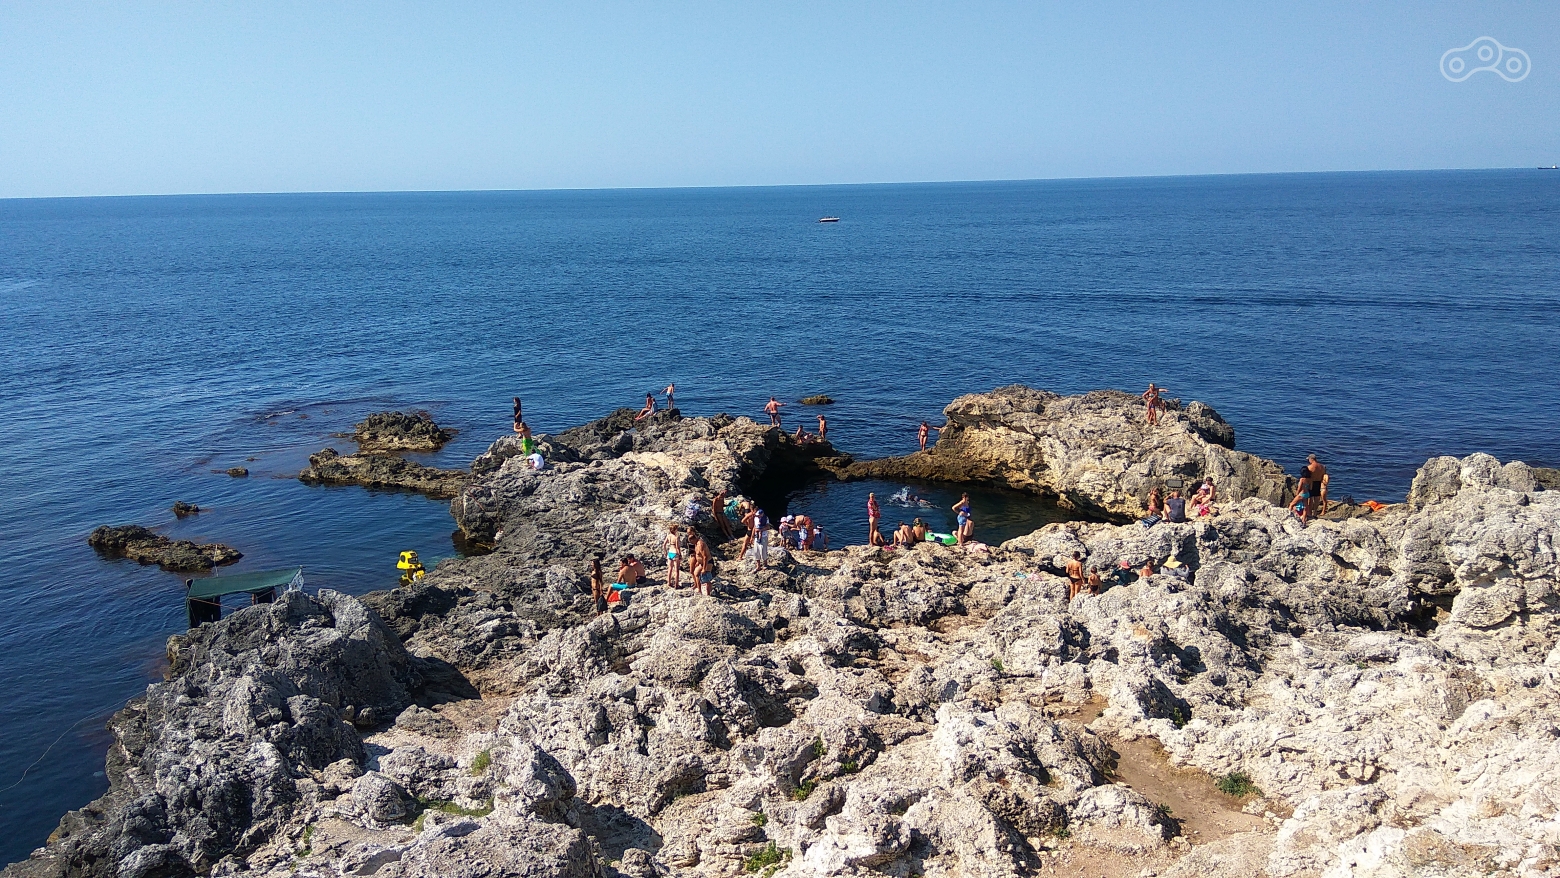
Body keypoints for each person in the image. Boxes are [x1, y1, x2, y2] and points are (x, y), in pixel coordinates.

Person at [751, 506, 771, 571]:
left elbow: (768, 527)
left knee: (763, 550)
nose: (757, 516)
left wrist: (761, 529)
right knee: (756, 551)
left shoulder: (766, 518)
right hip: (756, 536)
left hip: (764, 536)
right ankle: (758, 566)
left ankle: (765, 564)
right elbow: (754, 527)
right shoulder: (755, 518)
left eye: (759, 515)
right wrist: (752, 536)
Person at [664, 524, 684, 588]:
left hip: (670, 552)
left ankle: (669, 582)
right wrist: (680, 555)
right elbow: (677, 547)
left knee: (670, 568)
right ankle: (676, 584)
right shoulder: (676, 537)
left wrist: (665, 552)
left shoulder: (668, 536)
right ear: (675, 530)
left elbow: (664, 544)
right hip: (675, 553)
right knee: (676, 570)